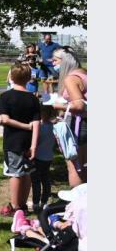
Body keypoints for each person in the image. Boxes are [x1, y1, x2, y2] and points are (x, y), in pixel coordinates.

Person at [0, 63, 41, 217]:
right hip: (28, 142)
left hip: (12, 142)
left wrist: (24, 126)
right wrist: (34, 145)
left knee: (15, 173)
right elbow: (36, 124)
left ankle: (15, 206)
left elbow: (6, 120)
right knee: (27, 172)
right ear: (29, 78)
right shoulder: (33, 99)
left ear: (11, 77)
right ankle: (23, 203)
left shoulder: (5, 97)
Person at [49, 47, 87, 187]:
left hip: (78, 125)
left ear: (65, 61)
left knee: (75, 167)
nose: (53, 64)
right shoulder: (84, 73)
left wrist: (56, 106)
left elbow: (79, 105)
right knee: (85, 165)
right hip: (84, 123)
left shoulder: (71, 78)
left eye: (55, 60)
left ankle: (77, 203)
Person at [31, 105, 57, 212]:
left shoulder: (40, 127)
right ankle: (44, 201)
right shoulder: (54, 127)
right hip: (48, 157)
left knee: (36, 181)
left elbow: (35, 141)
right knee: (45, 179)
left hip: (38, 157)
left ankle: (36, 203)